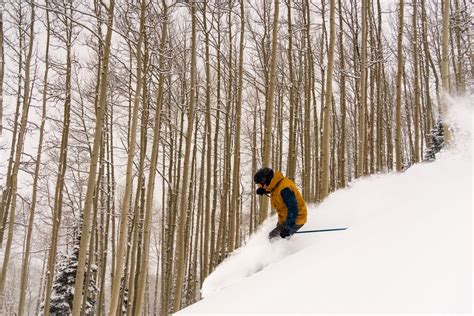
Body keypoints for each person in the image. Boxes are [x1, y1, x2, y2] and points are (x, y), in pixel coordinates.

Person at [254, 167, 307, 240]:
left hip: (296, 218)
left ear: (265, 181)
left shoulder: (285, 189)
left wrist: (288, 227)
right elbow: (276, 191)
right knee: (277, 237)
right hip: (285, 218)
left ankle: (292, 250)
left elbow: (293, 208)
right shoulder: (276, 184)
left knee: (273, 237)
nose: (259, 186)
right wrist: (264, 191)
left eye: (259, 184)